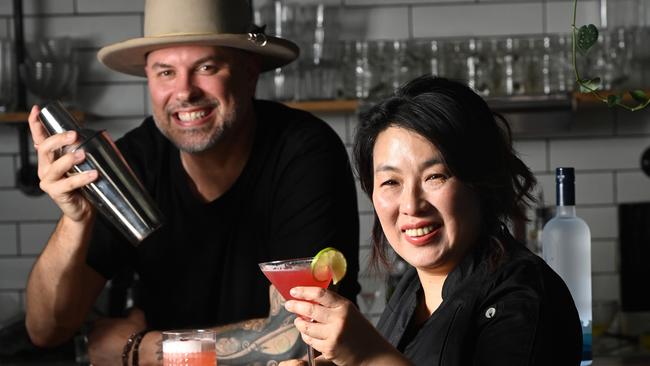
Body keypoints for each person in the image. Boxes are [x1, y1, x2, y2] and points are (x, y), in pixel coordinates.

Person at [24, 0, 360, 365]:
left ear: (250, 72)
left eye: (206, 67)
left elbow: (304, 341)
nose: (184, 91)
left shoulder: (303, 152)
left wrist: (142, 350)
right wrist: (76, 220)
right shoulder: (133, 161)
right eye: (166, 72)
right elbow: (45, 330)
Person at [281, 76, 582, 365]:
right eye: (390, 182)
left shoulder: (525, 295)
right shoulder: (411, 290)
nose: (411, 205)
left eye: (435, 176)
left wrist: (367, 357)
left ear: (480, 180)